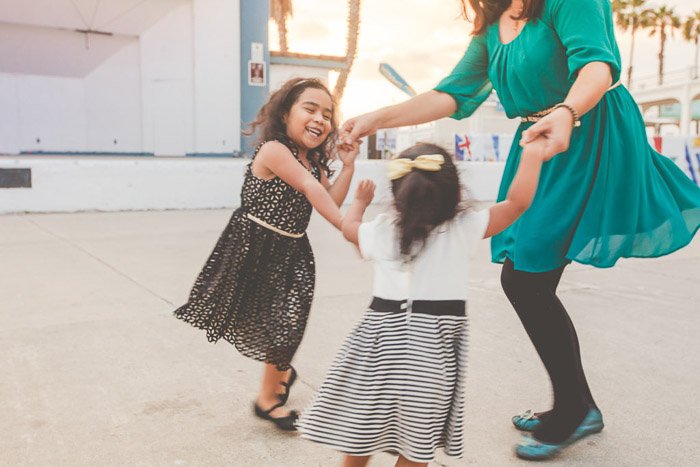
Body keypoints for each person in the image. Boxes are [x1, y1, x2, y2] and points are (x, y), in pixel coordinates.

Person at [340, 0, 700, 459]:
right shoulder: (492, 23)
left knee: (525, 278)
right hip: (536, 143)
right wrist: (375, 118)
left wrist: (567, 112)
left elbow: (597, 65)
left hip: (583, 132)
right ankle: (576, 404)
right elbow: (452, 93)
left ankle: (575, 408)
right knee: (528, 279)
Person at [297, 140, 554, 467]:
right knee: (415, 443)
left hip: (378, 348)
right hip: (429, 356)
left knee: (363, 431)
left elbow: (350, 231)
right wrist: (532, 154)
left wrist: (360, 203)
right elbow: (518, 203)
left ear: (397, 194)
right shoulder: (463, 227)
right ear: (454, 189)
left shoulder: (383, 230)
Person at [174, 77, 360, 431]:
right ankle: (277, 382)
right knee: (261, 322)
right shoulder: (275, 150)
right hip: (253, 245)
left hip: (292, 251)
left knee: (287, 324)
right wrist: (346, 228)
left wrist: (347, 167)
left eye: (327, 114)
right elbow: (309, 190)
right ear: (285, 112)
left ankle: (268, 397)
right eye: (310, 109)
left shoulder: (315, 166)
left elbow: (328, 201)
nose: (320, 119)